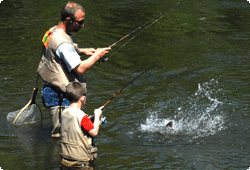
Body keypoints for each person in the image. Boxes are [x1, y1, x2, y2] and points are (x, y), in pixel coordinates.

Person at [37, 1, 111, 137]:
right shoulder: (63, 44)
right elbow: (80, 69)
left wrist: (81, 51)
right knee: (64, 137)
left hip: (51, 91)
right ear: (69, 20)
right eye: (80, 22)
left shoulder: (52, 31)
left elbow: (56, 51)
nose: (83, 25)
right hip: (60, 97)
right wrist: (97, 55)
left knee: (67, 134)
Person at [60, 82, 103, 170]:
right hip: (80, 162)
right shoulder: (82, 116)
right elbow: (94, 132)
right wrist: (97, 116)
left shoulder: (64, 113)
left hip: (65, 158)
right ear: (82, 98)